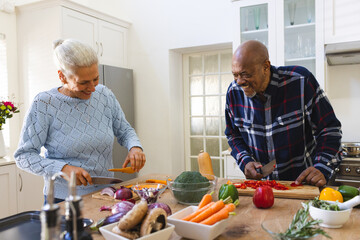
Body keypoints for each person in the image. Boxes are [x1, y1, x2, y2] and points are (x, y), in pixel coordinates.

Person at [14, 39, 146, 202]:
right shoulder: (44, 104)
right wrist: (63, 169)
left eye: (96, 79)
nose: (92, 88)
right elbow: (23, 156)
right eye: (83, 82)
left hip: (105, 195)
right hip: (63, 199)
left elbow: (125, 130)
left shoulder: (104, 95)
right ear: (62, 76)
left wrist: (135, 147)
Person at [225, 40, 342, 187]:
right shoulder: (233, 93)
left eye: (245, 74)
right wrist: (245, 160)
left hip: (304, 184)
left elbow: (329, 129)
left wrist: (321, 167)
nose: (239, 82)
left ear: (265, 66)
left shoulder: (301, 81)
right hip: (265, 187)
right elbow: (233, 135)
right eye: (235, 75)